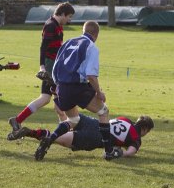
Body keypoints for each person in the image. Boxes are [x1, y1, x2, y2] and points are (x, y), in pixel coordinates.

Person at [34, 21, 114, 161]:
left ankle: (49, 139)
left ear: (83, 31)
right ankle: (109, 151)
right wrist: (99, 92)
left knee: (73, 119)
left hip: (62, 87)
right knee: (103, 111)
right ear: (96, 34)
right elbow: (91, 76)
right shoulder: (91, 47)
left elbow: (55, 67)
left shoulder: (68, 42)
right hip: (78, 87)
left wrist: (57, 87)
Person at [7, 2, 75, 139]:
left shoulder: (57, 25)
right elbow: (43, 47)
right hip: (50, 67)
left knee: (48, 99)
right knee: (53, 98)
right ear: (62, 14)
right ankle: (65, 133)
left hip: (55, 65)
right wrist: (42, 66)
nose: (70, 20)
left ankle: (18, 120)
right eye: (69, 16)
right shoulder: (50, 26)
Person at [10, 114, 154, 159]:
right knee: (60, 140)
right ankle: (32, 133)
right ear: (145, 129)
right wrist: (119, 153)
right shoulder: (136, 138)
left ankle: (30, 132)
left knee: (70, 120)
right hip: (96, 138)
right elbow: (130, 152)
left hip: (93, 122)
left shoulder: (125, 119)